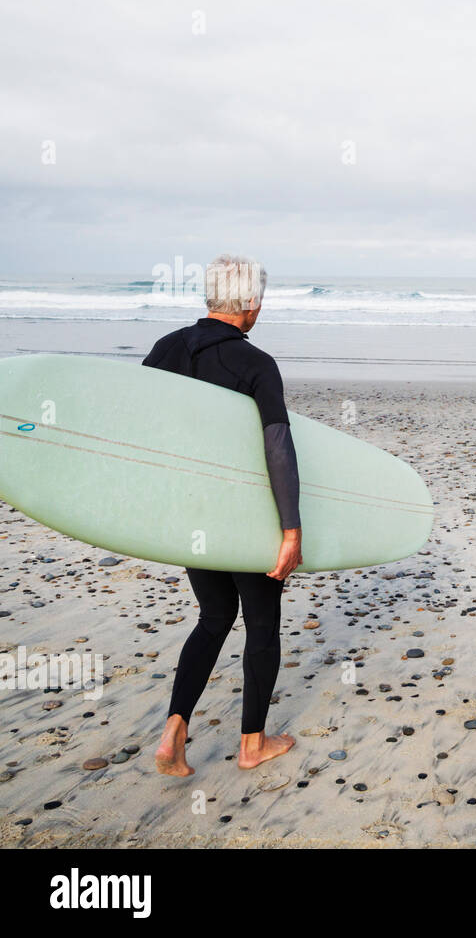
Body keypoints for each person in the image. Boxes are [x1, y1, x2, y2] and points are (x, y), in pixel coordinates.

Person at [146, 254, 302, 776]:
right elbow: (277, 446)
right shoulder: (255, 363)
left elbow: (142, 435)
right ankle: (252, 744)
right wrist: (290, 529)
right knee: (261, 625)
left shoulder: (164, 350)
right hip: (245, 515)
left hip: (191, 515)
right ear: (252, 304)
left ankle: (174, 728)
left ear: (211, 297)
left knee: (213, 617)